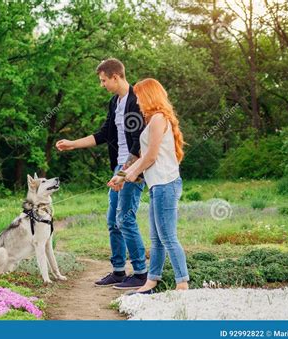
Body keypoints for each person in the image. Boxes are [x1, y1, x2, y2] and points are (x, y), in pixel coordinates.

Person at [56, 58, 148, 290]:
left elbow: (140, 142)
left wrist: (126, 172)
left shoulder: (137, 99)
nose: (102, 84)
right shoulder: (114, 102)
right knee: (112, 221)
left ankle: (140, 273)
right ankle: (118, 271)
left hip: (133, 169)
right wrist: (73, 144)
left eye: (103, 80)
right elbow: (104, 134)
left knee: (125, 219)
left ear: (116, 77)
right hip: (118, 168)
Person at [108, 78, 189, 293]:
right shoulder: (153, 119)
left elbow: (150, 156)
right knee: (157, 239)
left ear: (150, 96)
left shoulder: (159, 119)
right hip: (158, 185)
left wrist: (124, 176)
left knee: (168, 237)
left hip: (165, 184)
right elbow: (142, 156)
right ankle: (151, 282)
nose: (138, 100)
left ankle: (182, 284)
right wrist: (123, 175)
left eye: (141, 96)